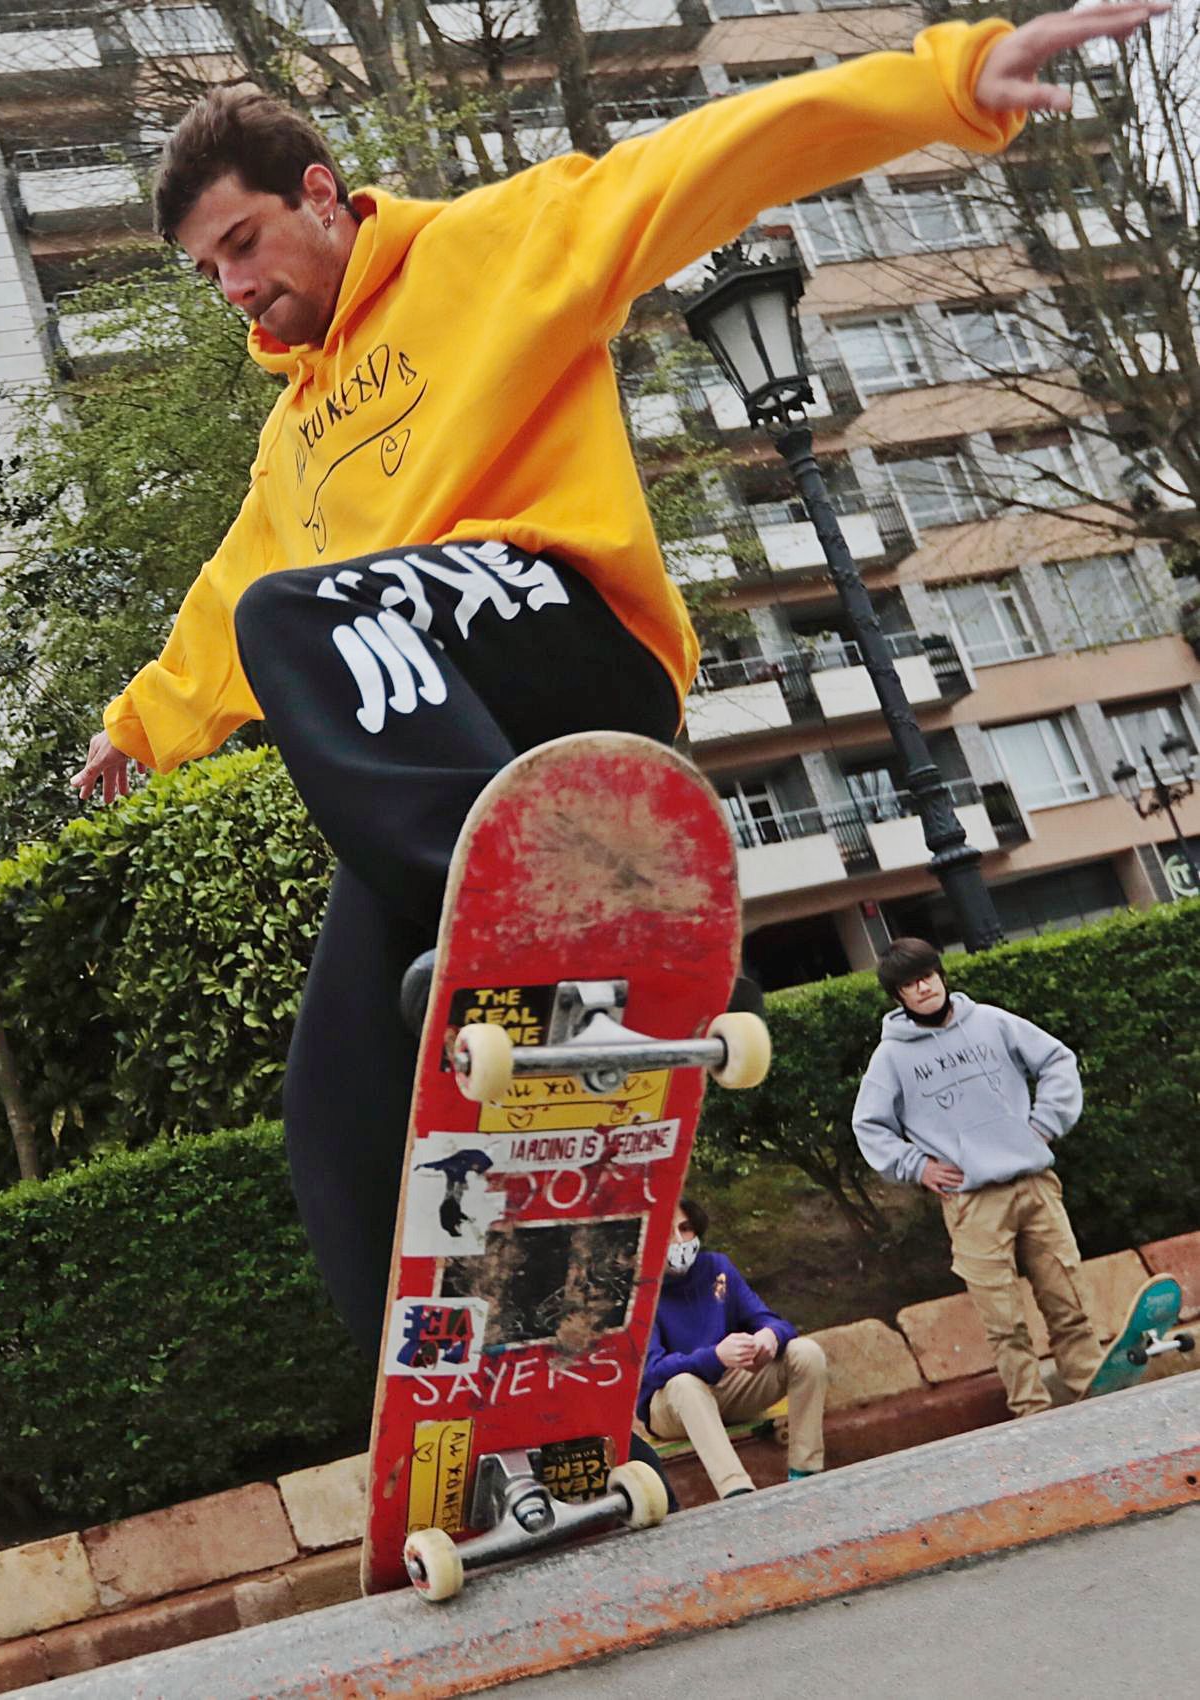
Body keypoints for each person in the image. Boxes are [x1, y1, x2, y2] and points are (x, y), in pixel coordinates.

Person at [68, 5, 1166, 1363]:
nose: (234, 286)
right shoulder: (294, 441)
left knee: (309, 618)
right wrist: (141, 724)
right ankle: (507, 1368)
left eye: (243, 244)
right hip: (450, 730)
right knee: (339, 1090)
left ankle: (577, 923)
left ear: (321, 196)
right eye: (206, 271)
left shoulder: (496, 243)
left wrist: (945, 84)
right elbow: (229, 599)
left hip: (574, 652)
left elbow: (712, 157)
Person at [852, 937, 1103, 1417]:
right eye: (909, 984)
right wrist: (918, 1166)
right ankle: (1031, 1410)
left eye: (927, 975)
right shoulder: (890, 1058)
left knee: (1067, 1297)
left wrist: (1047, 1122)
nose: (923, 988)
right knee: (1003, 1319)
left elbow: (1057, 1060)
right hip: (970, 1202)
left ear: (941, 975)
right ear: (898, 997)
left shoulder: (992, 1022)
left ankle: (1091, 1386)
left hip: (1033, 1183)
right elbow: (869, 1125)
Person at [638, 1198, 826, 1497]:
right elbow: (652, 1371)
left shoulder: (717, 1267)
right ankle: (736, 1491)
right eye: (665, 1230)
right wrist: (714, 1356)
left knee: (806, 1352)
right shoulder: (640, 1289)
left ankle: (806, 1473)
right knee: (685, 1384)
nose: (678, 1239)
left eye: (685, 1228)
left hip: (730, 1388)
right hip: (672, 1408)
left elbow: (772, 1320)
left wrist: (769, 1337)